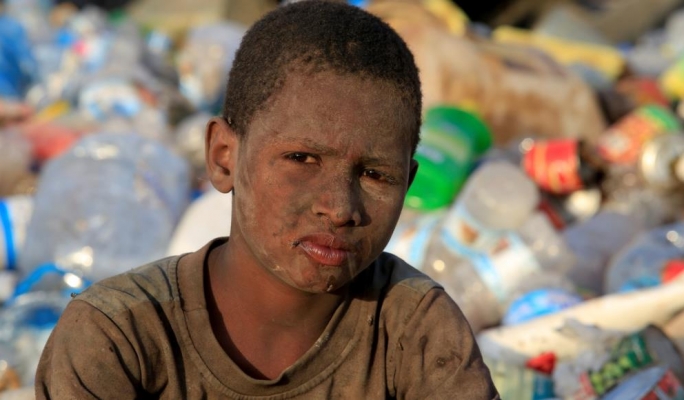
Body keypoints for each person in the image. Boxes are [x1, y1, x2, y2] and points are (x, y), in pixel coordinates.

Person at [35, 1, 499, 398]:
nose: (340, 209)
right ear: (223, 157)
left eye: (376, 175)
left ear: (408, 183)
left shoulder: (416, 333)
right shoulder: (118, 336)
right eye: (302, 159)